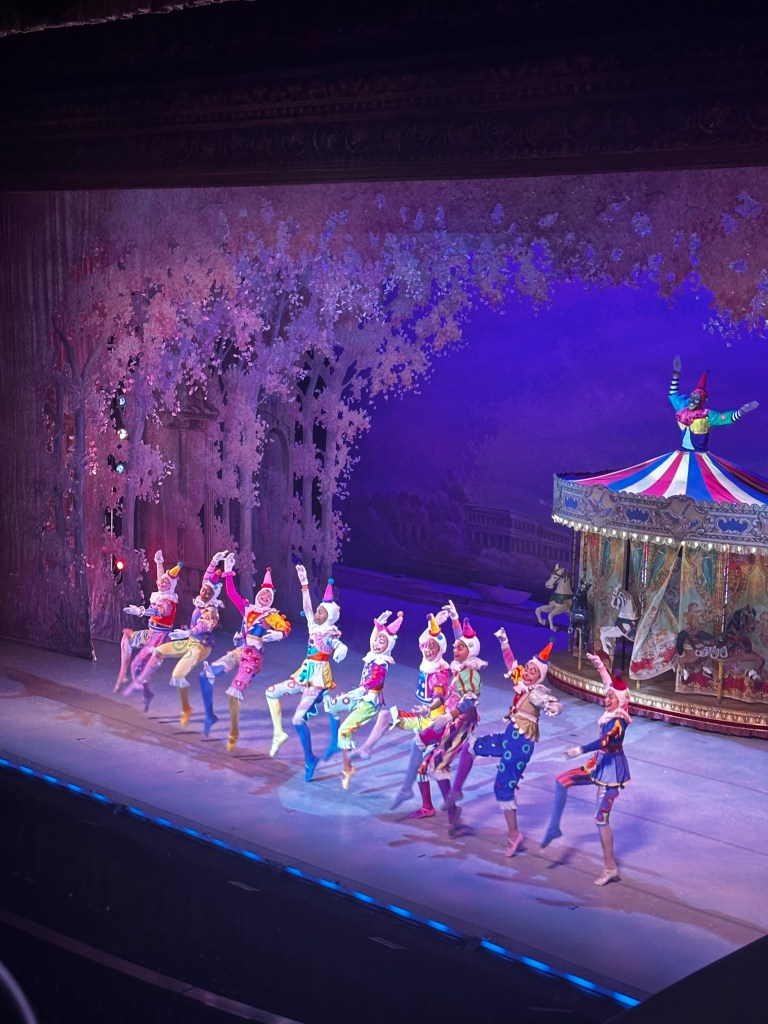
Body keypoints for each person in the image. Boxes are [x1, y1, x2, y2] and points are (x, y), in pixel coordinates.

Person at [445, 631, 562, 856]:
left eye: (534, 671)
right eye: (528, 668)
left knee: (502, 789)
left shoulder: (537, 692)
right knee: (471, 746)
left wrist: (556, 707)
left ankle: (514, 835)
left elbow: (551, 702)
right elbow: (511, 663)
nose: (528, 672)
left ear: (540, 677)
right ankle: (456, 790)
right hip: (509, 738)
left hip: (521, 746)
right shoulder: (521, 682)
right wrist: (504, 641)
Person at [541, 651, 631, 886]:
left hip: (611, 772)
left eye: (611, 698)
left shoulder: (617, 722)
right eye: (607, 696)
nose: (606, 699)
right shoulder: (613, 708)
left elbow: (603, 743)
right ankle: (553, 828)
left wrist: (579, 750)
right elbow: (609, 684)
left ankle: (610, 867)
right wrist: (600, 665)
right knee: (562, 780)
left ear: (620, 702)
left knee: (601, 819)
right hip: (598, 764)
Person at [265, 565, 347, 781]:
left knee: (298, 720)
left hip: (316, 681)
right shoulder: (314, 627)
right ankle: (278, 733)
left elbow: (336, 644)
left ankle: (310, 759)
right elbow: (307, 607)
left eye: (321, 612)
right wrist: (304, 584)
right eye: (318, 611)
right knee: (271, 692)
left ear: (329, 616)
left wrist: (341, 649)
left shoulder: (328, 632)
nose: (316, 613)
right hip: (303, 676)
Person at [407, 602, 485, 826]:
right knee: (420, 750)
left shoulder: (472, 674)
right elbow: (462, 640)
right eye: (455, 648)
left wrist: (449, 716)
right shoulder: (460, 667)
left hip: (460, 725)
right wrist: (454, 619)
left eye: (460, 649)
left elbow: (469, 702)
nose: (455, 650)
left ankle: (451, 809)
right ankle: (429, 806)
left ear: (470, 652)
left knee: (437, 766)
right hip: (446, 720)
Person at [201, 555, 290, 751]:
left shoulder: (271, 615)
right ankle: (209, 714)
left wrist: (279, 633)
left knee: (233, 693)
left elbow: (282, 626)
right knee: (209, 672)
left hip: (253, 658)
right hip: (240, 650)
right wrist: (228, 572)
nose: (264, 597)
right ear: (258, 595)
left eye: (268, 596)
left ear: (271, 600)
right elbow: (232, 594)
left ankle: (233, 731)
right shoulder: (248, 609)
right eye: (263, 594)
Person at [129, 550, 227, 726]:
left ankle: (186, 708)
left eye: (208, 591)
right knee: (158, 651)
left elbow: (205, 625)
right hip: (189, 641)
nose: (205, 592)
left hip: (201, 647)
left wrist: (189, 632)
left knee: (177, 675)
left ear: (214, 595)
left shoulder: (211, 610)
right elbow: (206, 578)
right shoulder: (201, 599)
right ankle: (143, 681)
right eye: (204, 589)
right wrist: (214, 561)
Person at [323, 610, 403, 789]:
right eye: (376, 640)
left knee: (344, 731)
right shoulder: (373, 654)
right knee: (333, 706)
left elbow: (376, 678)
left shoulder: (382, 662)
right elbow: (374, 639)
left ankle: (347, 769)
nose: (376, 643)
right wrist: (378, 627)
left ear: (388, 646)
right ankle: (335, 743)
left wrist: (363, 688)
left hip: (369, 703)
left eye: (381, 642)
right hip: (360, 696)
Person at [118, 549, 182, 711]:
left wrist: (141, 611)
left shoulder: (167, 602)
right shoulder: (162, 594)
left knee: (137, 665)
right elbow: (162, 579)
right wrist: (159, 562)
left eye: (165, 582)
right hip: (150, 633)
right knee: (127, 638)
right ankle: (130, 679)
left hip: (159, 638)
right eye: (161, 581)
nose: (161, 583)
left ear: (171, 586)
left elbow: (158, 611)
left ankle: (143, 690)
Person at [669, 355, 758, 452]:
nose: (692, 401)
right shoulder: (683, 409)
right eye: (692, 397)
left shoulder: (707, 415)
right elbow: (673, 394)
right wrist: (676, 374)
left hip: (700, 454)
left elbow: (727, 418)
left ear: (703, 401)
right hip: (683, 453)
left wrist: (742, 411)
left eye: (696, 399)